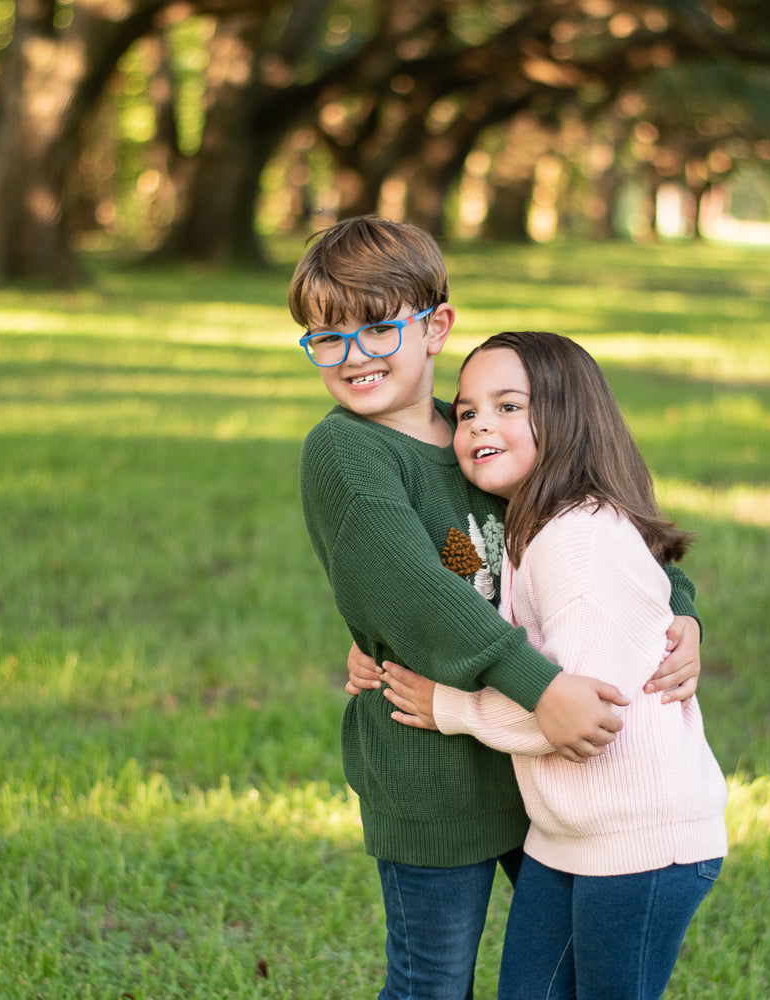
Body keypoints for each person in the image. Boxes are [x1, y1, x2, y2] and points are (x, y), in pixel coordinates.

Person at [291, 216, 705, 1000]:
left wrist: (678, 612)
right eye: (327, 337)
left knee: (558, 971)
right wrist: (540, 685)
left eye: (377, 327)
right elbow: (416, 591)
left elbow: (599, 517)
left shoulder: (483, 428)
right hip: (434, 767)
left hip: (542, 771)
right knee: (432, 982)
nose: (354, 356)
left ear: (436, 324)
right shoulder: (346, 450)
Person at [379, 331, 728, 1000]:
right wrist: (379, 633)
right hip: (564, 835)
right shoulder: (518, 527)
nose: (480, 424)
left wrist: (447, 709)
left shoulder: (579, 539)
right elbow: (458, 581)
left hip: (641, 844)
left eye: (509, 406)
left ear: (569, 417)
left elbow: (577, 711)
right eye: (468, 410)